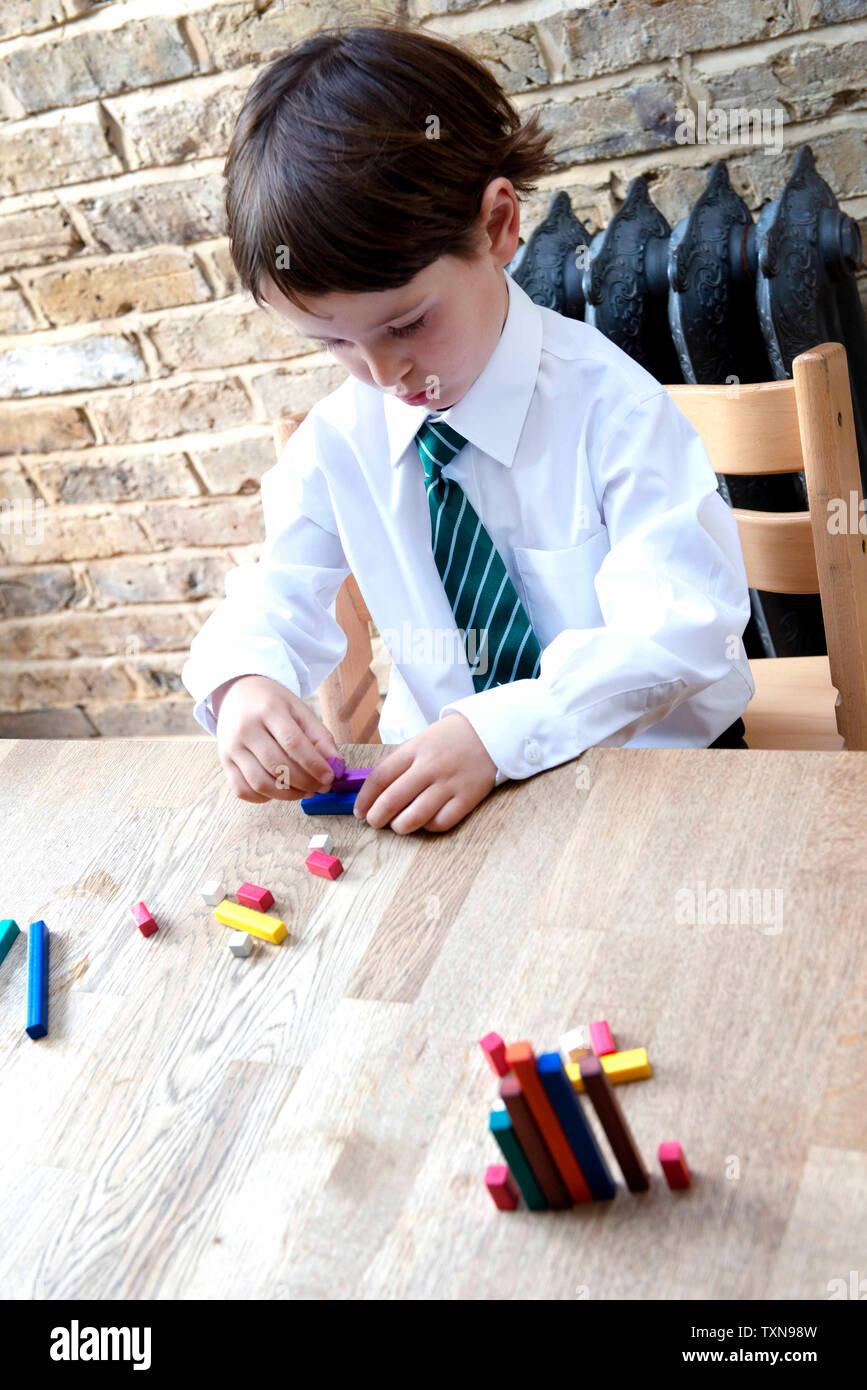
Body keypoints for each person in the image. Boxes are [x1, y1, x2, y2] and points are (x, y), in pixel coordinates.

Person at [181, 22, 754, 835]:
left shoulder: (609, 408)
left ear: (495, 227)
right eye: (334, 343)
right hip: (453, 792)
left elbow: (679, 630)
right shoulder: (341, 440)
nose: (382, 376)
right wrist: (242, 681)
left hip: (651, 773)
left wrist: (500, 730)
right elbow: (273, 592)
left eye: (406, 324)